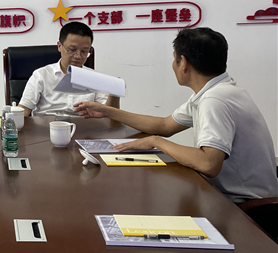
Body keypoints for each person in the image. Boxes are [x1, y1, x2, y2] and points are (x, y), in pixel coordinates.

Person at [75, 27, 278, 203]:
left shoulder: (215, 100)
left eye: (174, 59)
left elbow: (209, 164)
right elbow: (164, 125)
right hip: (239, 197)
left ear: (184, 63)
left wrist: (155, 141)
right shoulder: (218, 91)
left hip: (247, 207)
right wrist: (108, 111)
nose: (173, 65)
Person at [19, 21, 119, 116]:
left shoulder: (95, 78)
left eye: (84, 51)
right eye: (72, 50)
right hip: (46, 125)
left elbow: (110, 114)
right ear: (59, 46)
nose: (78, 56)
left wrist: (114, 93)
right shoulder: (41, 75)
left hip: (84, 126)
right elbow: (24, 109)